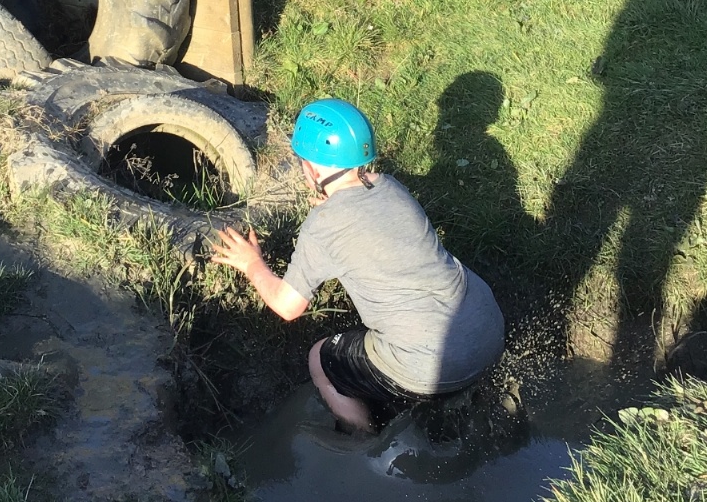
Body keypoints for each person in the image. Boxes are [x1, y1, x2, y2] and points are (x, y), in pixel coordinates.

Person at [209, 99, 505, 432]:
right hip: (487, 329)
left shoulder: (323, 226)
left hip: (429, 365)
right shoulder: (391, 187)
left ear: (312, 169)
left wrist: (252, 264)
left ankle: (366, 443)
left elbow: (287, 306)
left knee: (320, 358)